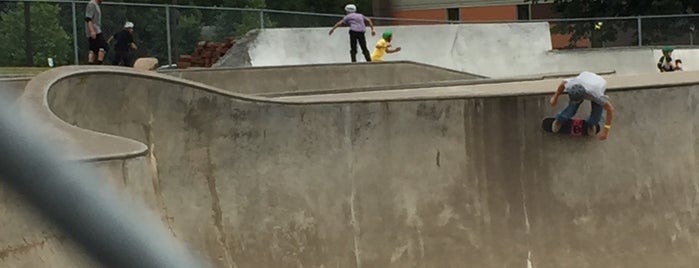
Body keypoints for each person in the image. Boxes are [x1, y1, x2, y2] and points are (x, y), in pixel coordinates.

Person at [549, 71, 615, 141]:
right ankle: (560, 119)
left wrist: (606, 131)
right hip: (586, 77)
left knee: (596, 114)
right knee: (571, 108)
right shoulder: (572, 85)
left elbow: (610, 109)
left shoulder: (597, 96)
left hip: (598, 85)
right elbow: (563, 84)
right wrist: (555, 97)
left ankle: (591, 124)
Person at [85, 0, 107, 65]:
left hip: (96, 29)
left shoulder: (96, 5)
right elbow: (88, 19)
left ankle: (90, 64)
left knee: (93, 49)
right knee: (103, 46)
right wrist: (92, 31)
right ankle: (99, 63)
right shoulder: (92, 4)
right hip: (95, 30)